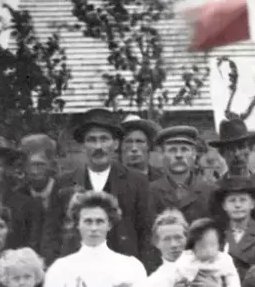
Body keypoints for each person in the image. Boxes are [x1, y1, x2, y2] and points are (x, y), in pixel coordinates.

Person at [43, 108, 155, 266]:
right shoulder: (64, 183)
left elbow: (147, 235)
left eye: (104, 139)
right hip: (78, 269)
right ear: (83, 146)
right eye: (92, 140)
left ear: (115, 144)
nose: (98, 146)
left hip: (122, 270)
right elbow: (51, 233)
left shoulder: (137, 182)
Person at [148, 126, 212, 229]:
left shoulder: (210, 191)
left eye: (184, 149)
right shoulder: (150, 192)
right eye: (172, 150)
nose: (178, 155)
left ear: (194, 154)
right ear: (162, 155)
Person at [210, 175, 255, 277]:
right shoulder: (215, 234)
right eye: (232, 200)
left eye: (243, 200)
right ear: (224, 206)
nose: (237, 205)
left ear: (252, 204)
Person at [18, 133, 60, 212]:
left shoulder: (65, 193)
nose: (34, 171)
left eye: (40, 165)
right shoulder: (18, 198)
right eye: (30, 166)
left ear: (51, 165)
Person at [120, 115, 163, 182]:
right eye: (128, 142)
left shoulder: (162, 178)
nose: (134, 148)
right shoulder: (110, 178)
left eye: (139, 141)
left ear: (148, 145)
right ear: (121, 146)